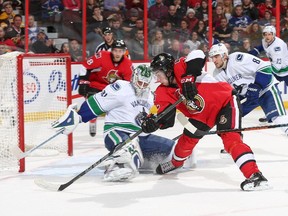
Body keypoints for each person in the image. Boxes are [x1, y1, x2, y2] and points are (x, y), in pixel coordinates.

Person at [140, 50, 270, 191]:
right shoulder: (162, 92)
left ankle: (255, 175)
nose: (157, 78)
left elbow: (198, 54)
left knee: (231, 140)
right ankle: (176, 163)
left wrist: (188, 77)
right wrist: (153, 123)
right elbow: (165, 117)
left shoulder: (179, 67)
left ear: (168, 70)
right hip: (201, 116)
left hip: (225, 102)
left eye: (158, 73)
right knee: (186, 139)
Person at [51, 65, 178, 182]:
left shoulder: (150, 96)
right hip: (117, 131)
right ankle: (116, 167)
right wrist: (78, 116)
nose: (142, 86)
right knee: (130, 148)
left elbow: (155, 116)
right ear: (134, 78)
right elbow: (97, 102)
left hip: (140, 137)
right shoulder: (121, 88)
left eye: (145, 84)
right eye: (140, 82)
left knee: (175, 150)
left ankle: (133, 161)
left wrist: (157, 123)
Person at [209, 43, 288, 136]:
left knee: (277, 117)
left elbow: (265, 68)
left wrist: (257, 86)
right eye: (212, 57)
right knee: (232, 116)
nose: (214, 60)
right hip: (249, 96)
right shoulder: (217, 74)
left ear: (224, 55)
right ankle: (235, 141)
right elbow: (228, 94)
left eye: (216, 56)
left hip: (266, 88)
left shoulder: (237, 59)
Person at [78, 39, 133, 136]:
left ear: (124, 52)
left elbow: (128, 84)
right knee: (92, 101)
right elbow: (85, 66)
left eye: (120, 51)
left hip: (113, 89)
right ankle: (92, 119)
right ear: (111, 50)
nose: (117, 53)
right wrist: (83, 82)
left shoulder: (128, 64)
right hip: (96, 84)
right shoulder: (102, 56)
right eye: (115, 50)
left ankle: (116, 127)